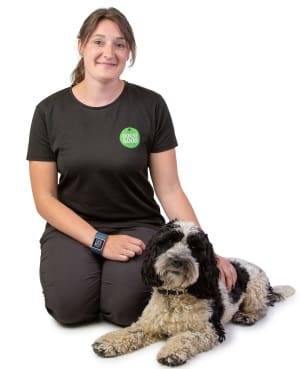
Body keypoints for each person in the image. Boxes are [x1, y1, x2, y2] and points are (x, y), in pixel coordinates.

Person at [27, 7, 237, 327]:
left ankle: (112, 283)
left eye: (120, 44)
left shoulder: (151, 105)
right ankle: (88, 276)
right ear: (81, 45)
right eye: (99, 42)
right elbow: (44, 199)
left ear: (129, 52)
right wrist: (100, 242)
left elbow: (169, 188)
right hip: (71, 227)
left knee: (124, 311)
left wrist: (203, 248)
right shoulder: (48, 111)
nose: (109, 52)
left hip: (138, 226)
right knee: (69, 310)